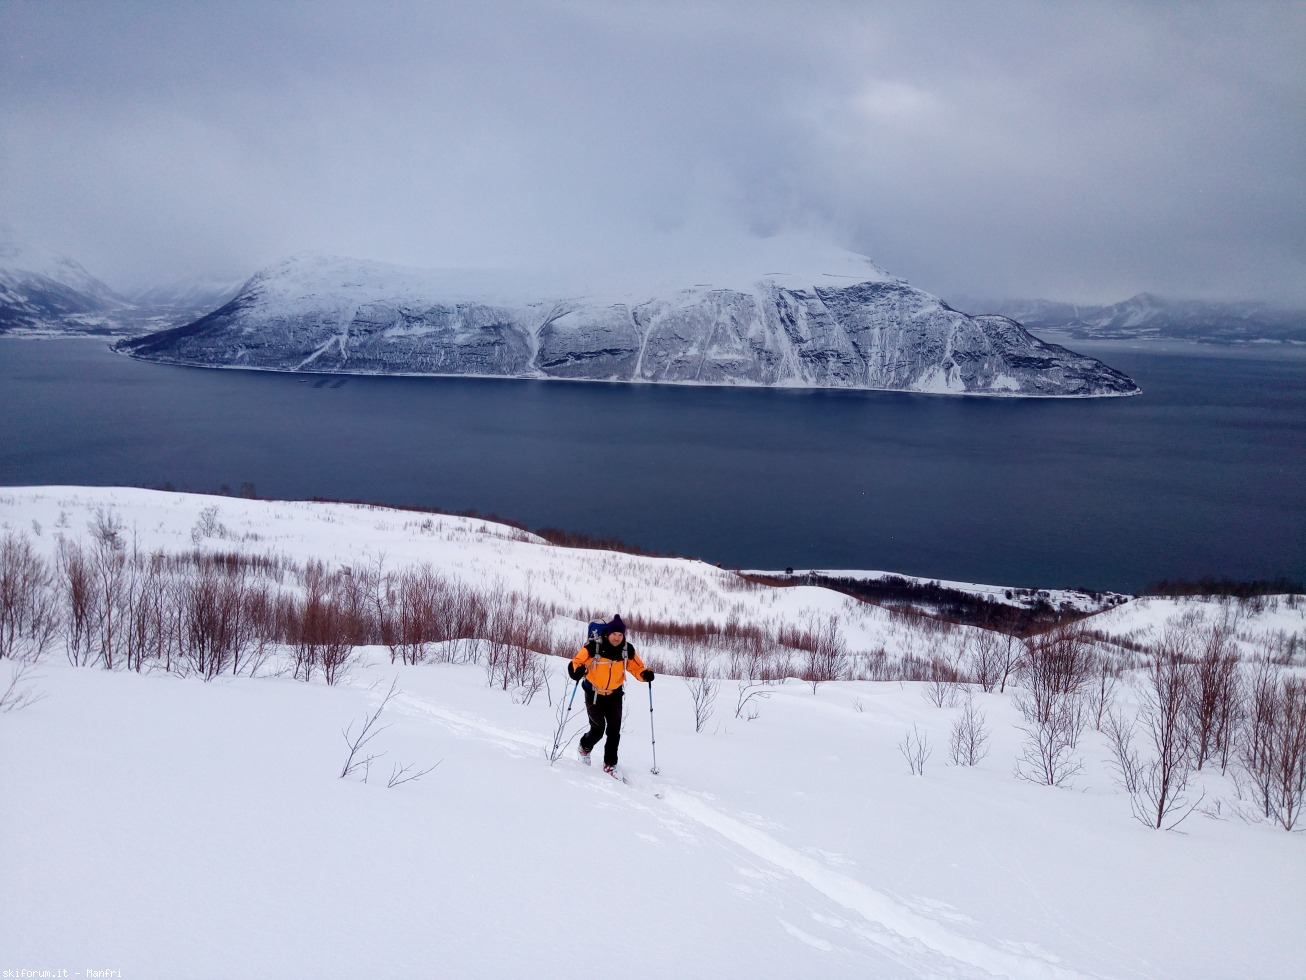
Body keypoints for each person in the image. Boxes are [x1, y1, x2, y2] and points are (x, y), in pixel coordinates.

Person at [568, 614, 653, 774]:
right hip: (594, 694)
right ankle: (584, 747)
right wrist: (576, 671)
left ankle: (610, 764)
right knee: (598, 729)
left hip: (615, 695)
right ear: (607, 634)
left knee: (614, 731)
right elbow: (577, 662)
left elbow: (636, 667)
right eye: (614, 634)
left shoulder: (627, 649)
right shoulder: (594, 647)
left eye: (620, 634)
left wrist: (645, 675)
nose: (617, 637)